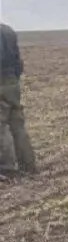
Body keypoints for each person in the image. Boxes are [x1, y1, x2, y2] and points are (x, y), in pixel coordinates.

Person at [0, 21, 35, 177]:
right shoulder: (8, 30)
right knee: (17, 125)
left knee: (1, 126)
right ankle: (28, 164)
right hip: (12, 82)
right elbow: (18, 60)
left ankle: (7, 168)